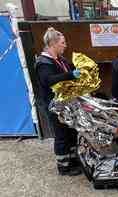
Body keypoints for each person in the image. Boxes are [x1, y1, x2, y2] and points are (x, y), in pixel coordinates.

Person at [35, 27, 81, 176]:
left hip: (65, 103)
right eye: (62, 43)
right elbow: (49, 80)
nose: (65, 45)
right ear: (53, 44)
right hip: (54, 106)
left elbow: (68, 68)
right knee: (61, 135)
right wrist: (70, 75)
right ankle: (64, 166)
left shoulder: (59, 59)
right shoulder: (43, 62)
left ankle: (73, 159)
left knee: (71, 131)